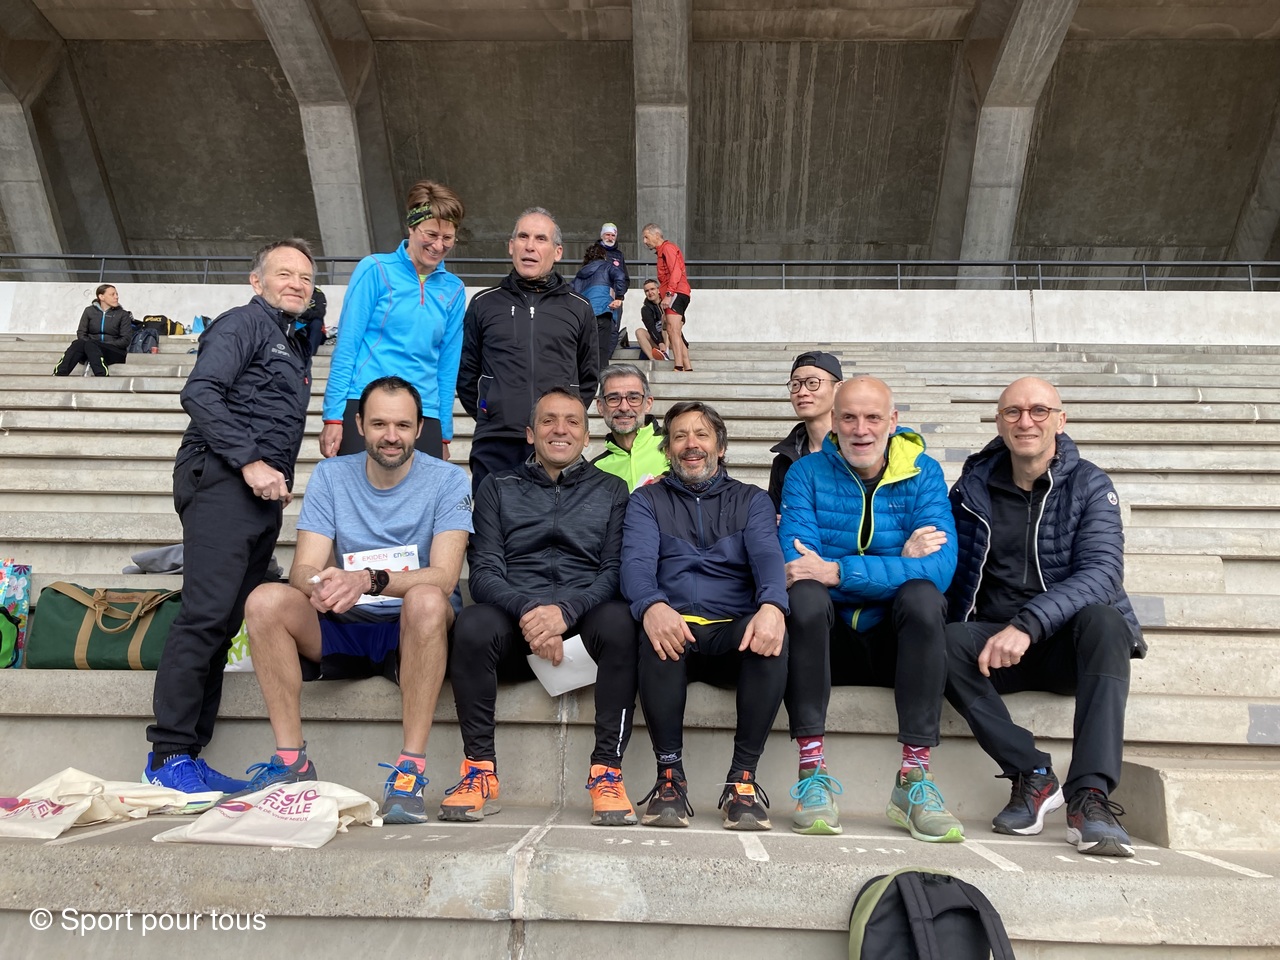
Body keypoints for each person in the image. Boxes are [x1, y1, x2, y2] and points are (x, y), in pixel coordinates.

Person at [232, 376, 472, 823]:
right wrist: (321, 585)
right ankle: (291, 762)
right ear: (359, 425)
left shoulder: (448, 479)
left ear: (420, 428)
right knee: (264, 600)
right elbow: (303, 569)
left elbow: (443, 577)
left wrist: (367, 579)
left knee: (426, 600)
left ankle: (409, 770)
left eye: (403, 425)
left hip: (410, 628)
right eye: (379, 424)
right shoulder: (331, 475)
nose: (391, 436)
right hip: (343, 618)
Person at [144, 239, 316, 805]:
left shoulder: (293, 340)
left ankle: (189, 755)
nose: (296, 284)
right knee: (204, 618)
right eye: (284, 274)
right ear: (256, 281)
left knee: (222, 624)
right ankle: (167, 756)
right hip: (224, 480)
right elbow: (200, 392)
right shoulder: (243, 323)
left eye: (306, 278)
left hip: (258, 495)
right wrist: (250, 462)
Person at [945, 377, 1146, 858]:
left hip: (1064, 646)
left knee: (1106, 623)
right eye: (1012, 412)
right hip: (996, 649)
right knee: (942, 641)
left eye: (1039, 410)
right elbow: (951, 566)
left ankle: (1090, 797)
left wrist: (1028, 624)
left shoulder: (1089, 484)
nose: (1025, 421)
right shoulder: (972, 488)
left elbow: (1102, 573)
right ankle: (1032, 773)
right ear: (999, 423)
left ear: (1060, 420)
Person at [443, 388, 637, 825]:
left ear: (586, 436)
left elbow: (613, 571)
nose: (559, 430)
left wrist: (565, 612)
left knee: (621, 620)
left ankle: (607, 771)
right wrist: (532, 612)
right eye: (548, 420)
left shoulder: (612, 489)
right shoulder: (497, 487)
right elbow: (485, 572)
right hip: (516, 626)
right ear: (531, 433)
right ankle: (479, 770)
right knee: (472, 623)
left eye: (572, 421)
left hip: (583, 625)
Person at [779, 377, 961, 842]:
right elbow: (798, 567)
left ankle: (914, 779)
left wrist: (839, 571)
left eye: (873, 417)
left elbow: (938, 570)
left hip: (893, 644)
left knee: (923, 597)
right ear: (833, 422)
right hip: (828, 640)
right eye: (849, 418)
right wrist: (900, 559)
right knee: (805, 596)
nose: (861, 429)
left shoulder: (924, 473)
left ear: (893, 421)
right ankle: (812, 773)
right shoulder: (805, 474)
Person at [621, 401, 788, 831]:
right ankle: (669, 778)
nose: (690, 444)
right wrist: (652, 605)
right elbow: (636, 564)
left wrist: (773, 605)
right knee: (656, 636)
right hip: (676, 625)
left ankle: (741, 781)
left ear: (721, 446)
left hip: (731, 627)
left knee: (772, 636)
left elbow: (768, 558)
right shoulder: (647, 500)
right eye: (679, 436)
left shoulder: (752, 500)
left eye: (701, 435)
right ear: (667, 449)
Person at [320, 180, 466, 461]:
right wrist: (333, 418)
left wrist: (444, 433)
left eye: (448, 238)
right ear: (411, 228)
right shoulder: (375, 269)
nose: (438, 245)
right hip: (367, 402)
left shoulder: (454, 290)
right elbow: (347, 345)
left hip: (424, 412)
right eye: (431, 234)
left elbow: (447, 366)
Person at [458, 207, 599, 493]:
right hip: (496, 442)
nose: (530, 246)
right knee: (490, 520)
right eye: (523, 237)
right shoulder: (484, 303)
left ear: (557, 252)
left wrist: (559, 420)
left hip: (554, 444)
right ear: (511, 246)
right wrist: (492, 410)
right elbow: (466, 374)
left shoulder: (579, 308)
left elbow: (588, 377)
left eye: (540, 239)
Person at [767, 351, 844, 512]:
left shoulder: (857, 449)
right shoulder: (784, 461)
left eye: (812, 383)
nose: (802, 392)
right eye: (796, 384)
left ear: (838, 389)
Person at [591, 363, 667, 491]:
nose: (624, 407)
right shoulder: (595, 470)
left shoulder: (674, 447)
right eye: (614, 398)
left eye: (633, 398)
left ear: (648, 404)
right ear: (600, 406)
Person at [53, 283, 134, 377]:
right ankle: (60, 373)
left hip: (113, 352)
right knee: (78, 343)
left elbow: (125, 340)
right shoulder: (89, 311)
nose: (116, 297)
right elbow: (81, 333)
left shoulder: (123, 314)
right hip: (91, 350)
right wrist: (91, 345)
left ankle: (101, 374)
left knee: (92, 344)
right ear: (101, 297)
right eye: (112, 294)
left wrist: (100, 345)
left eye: (116, 294)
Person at [641, 224, 692, 371]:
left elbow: (676, 271)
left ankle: (679, 366)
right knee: (673, 329)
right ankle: (687, 367)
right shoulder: (662, 251)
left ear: (656, 235)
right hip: (676, 292)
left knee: (673, 330)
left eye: (646, 237)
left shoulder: (667, 248)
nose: (645, 241)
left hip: (676, 292)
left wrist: (669, 294)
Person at [571, 243, 628, 372]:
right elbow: (620, 276)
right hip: (602, 312)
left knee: (585, 354)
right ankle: (602, 382)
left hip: (584, 317)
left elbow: (570, 292)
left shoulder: (579, 275)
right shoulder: (607, 266)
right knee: (602, 353)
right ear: (603, 255)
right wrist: (619, 297)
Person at [598, 221, 630, 345]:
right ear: (602, 235)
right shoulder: (594, 251)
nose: (610, 238)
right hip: (599, 296)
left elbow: (625, 278)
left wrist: (619, 295)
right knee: (598, 327)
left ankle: (609, 354)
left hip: (615, 297)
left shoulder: (619, 255)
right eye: (607, 235)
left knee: (614, 327)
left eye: (613, 235)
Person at [635, 279, 668, 361]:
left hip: (671, 340)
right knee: (639, 331)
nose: (650, 292)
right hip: (657, 341)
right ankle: (653, 360)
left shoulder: (667, 302)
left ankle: (666, 352)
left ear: (658, 290)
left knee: (665, 317)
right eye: (647, 291)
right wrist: (660, 342)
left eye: (652, 289)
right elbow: (651, 328)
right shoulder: (645, 309)